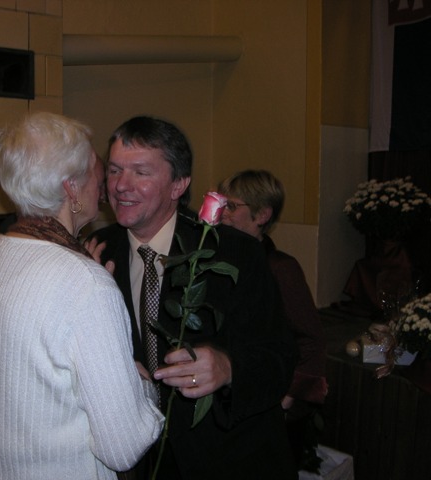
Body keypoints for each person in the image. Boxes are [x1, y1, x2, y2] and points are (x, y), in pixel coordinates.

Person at [0, 112, 163, 480]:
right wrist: (144, 386)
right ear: (71, 189)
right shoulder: (87, 284)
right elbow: (123, 448)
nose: (104, 183)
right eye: (97, 169)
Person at [90, 116, 297, 479]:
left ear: (179, 184)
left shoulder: (234, 253)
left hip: (229, 459)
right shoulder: (96, 253)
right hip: (144, 463)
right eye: (115, 170)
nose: (121, 185)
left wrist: (229, 368)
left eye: (141, 172)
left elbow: (279, 358)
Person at [218, 169, 328, 468]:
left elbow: (312, 340)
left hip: (270, 405)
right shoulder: (219, 260)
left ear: (262, 215)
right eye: (222, 204)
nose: (222, 213)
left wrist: (287, 399)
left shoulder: (281, 268)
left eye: (232, 206)